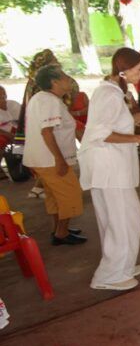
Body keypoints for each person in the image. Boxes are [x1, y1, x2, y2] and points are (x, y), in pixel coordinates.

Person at [79, 48, 140, 291]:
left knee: (116, 219)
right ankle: (109, 274)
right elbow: (102, 134)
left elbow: (119, 123)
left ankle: (121, 265)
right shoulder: (108, 95)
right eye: (139, 70)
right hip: (108, 167)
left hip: (110, 167)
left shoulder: (113, 92)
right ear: (123, 71)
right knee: (124, 219)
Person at [22, 65, 87, 245]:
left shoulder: (42, 98)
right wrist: (59, 160)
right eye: (65, 76)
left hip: (41, 158)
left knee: (55, 196)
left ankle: (59, 229)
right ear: (55, 82)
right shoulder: (49, 101)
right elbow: (47, 132)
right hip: (49, 159)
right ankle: (61, 233)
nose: (69, 79)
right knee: (70, 195)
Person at [0, 85, 24, 178]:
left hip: (17, 129)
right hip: (3, 133)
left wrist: (19, 134)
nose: (3, 97)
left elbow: (23, 120)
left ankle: (23, 167)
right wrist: (9, 135)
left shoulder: (13, 104)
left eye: (4, 94)